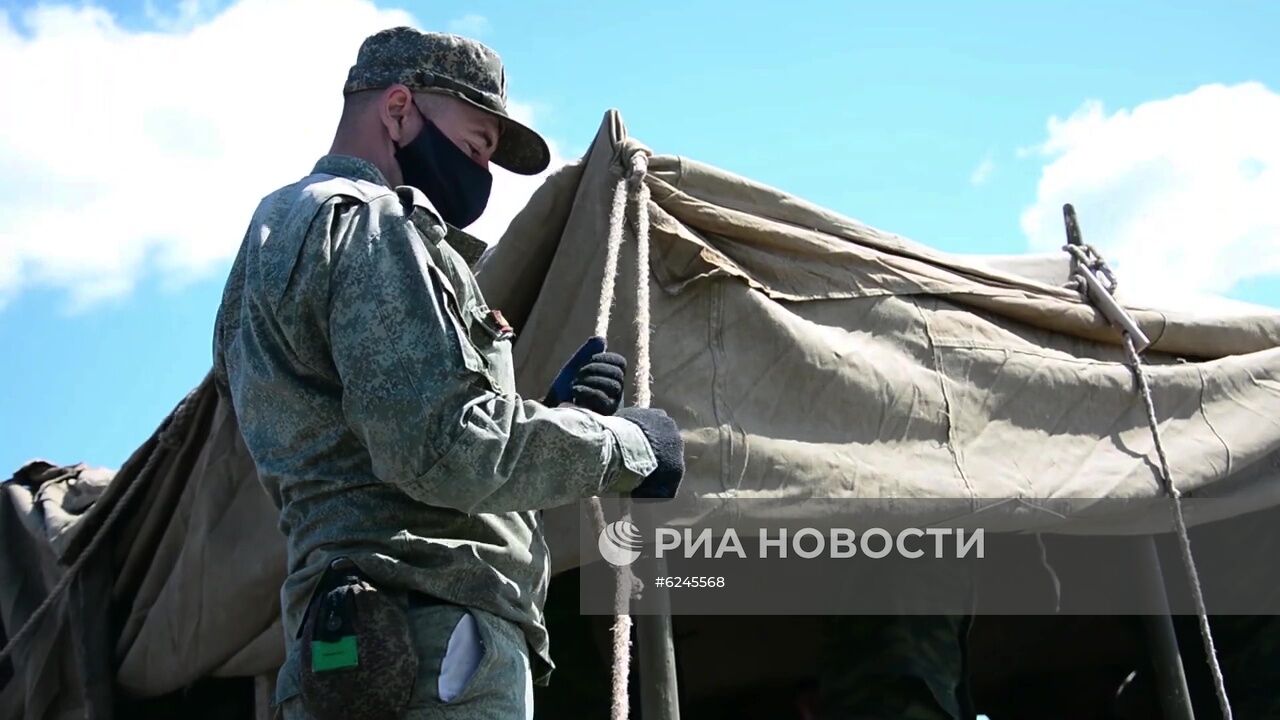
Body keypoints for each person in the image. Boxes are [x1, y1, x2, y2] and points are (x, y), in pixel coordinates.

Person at [212, 26, 685, 720]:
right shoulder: (375, 223)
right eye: (474, 145)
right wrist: (627, 446)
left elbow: (351, 446)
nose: (481, 174)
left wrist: (540, 413)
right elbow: (442, 450)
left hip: (339, 649)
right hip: (435, 645)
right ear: (399, 110)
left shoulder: (264, 246)